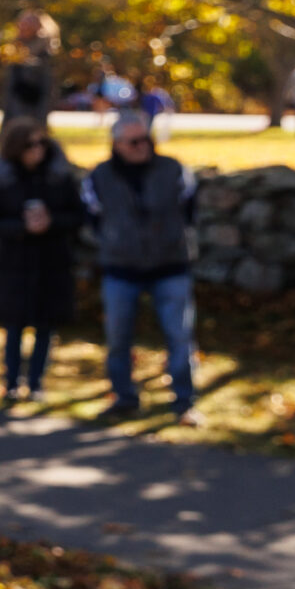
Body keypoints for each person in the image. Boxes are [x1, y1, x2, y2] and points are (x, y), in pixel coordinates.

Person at [83, 111, 199, 425]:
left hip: (170, 266)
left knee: (179, 337)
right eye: (133, 142)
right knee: (118, 339)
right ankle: (124, 398)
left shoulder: (173, 170)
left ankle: (184, 401)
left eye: (146, 139)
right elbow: (93, 217)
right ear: (117, 143)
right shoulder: (100, 176)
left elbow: (190, 209)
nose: (141, 146)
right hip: (121, 269)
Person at [0, 119, 83, 403]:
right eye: (30, 145)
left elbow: (77, 215)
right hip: (15, 263)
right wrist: (21, 227)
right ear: (16, 149)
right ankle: (11, 382)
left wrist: (51, 222)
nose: (37, 150)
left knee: (45, 327)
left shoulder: (59, 176)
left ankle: (36, 382)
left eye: (42, 143)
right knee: (14, 327)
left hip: (52, 261)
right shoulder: (3, 180)